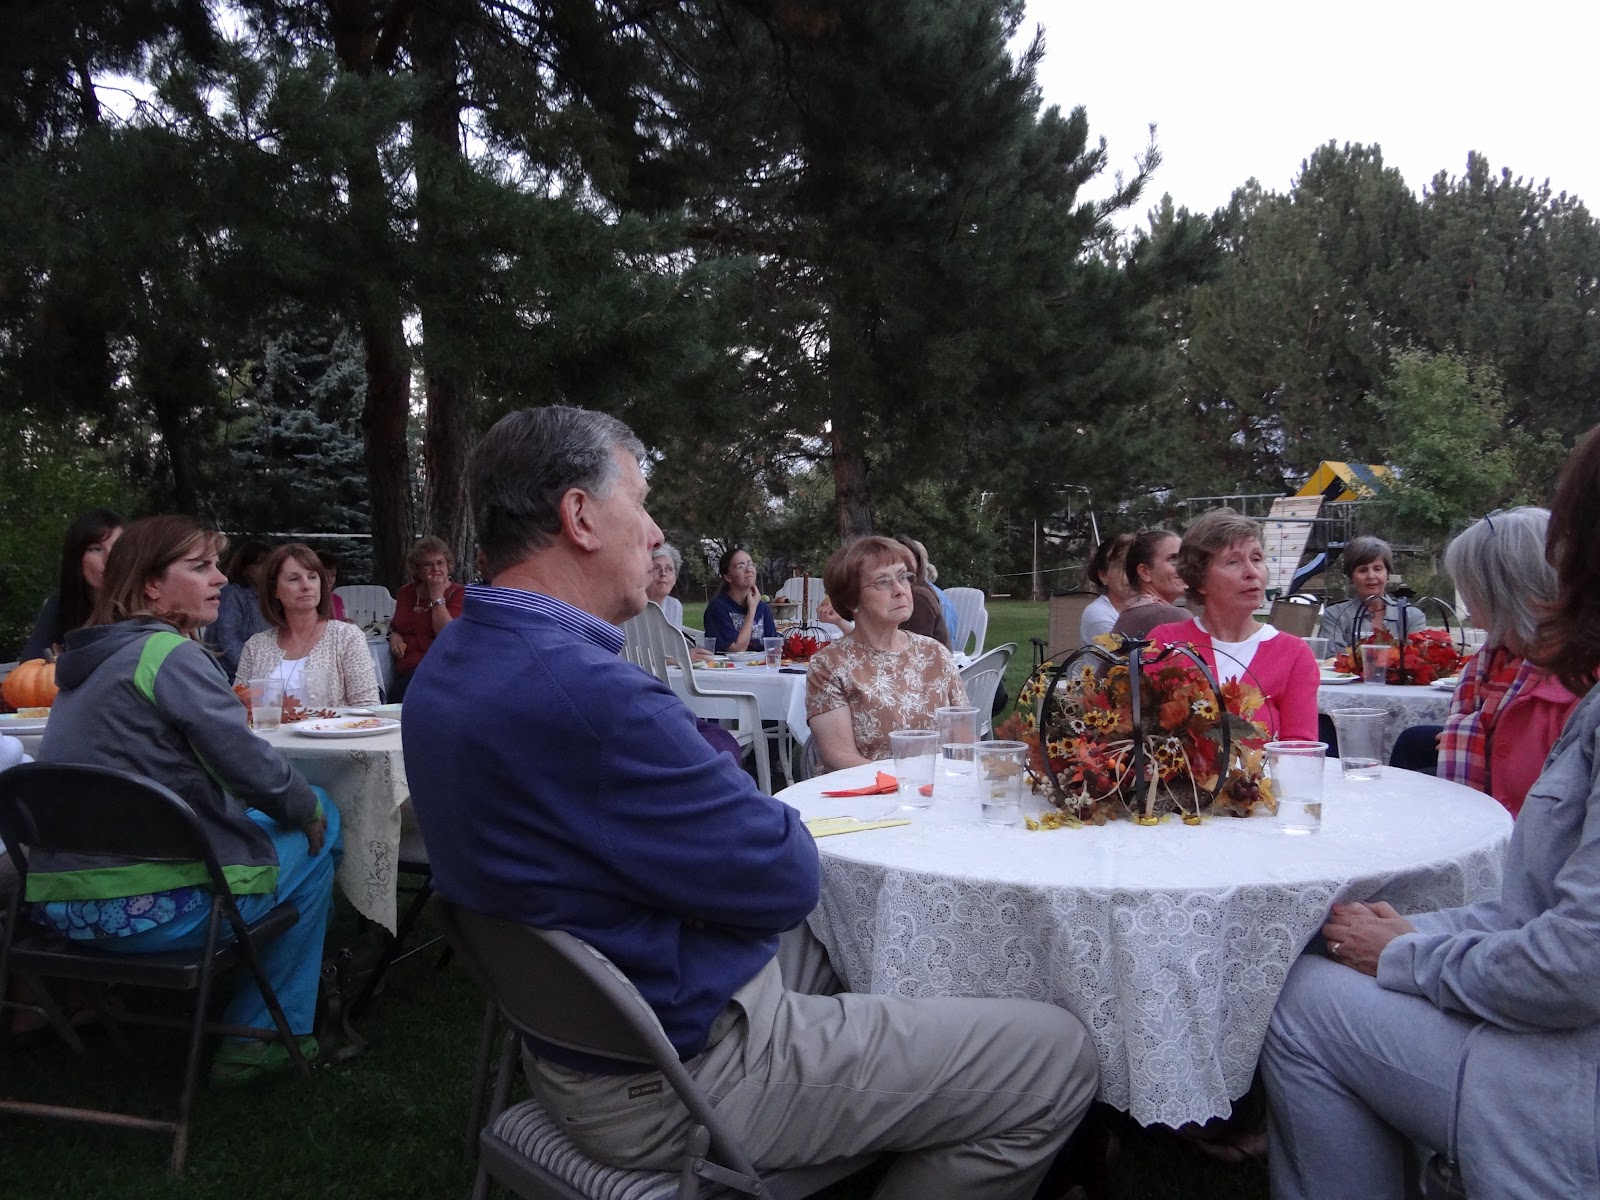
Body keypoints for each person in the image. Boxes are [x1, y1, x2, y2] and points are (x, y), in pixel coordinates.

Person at [404, 406, 1098, 1200]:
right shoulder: (592, 697)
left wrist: (698, 754)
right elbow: (783, 875)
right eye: (641, 503)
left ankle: (916, 1078)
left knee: (852, 924)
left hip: (586, 1035)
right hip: (681, 1078)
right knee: (1056, 1057)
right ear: (581, 517)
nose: (656, 532)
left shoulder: (453, 665)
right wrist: (706, 758)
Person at [1261, 427, 1600, 1200]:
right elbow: (1545, 907)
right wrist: (1415, 934)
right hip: (1539, 986)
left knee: (1299, 996)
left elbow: (1572, 967)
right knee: (1336, 938)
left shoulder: (1568, 695)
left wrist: (1406, 956)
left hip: (1564, 1081)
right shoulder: (1523, 681)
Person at [30, 515, 339, 1084]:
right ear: (151, 586)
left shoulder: (84, 667)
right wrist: (308, 809)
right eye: (200, 567)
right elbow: (252, 768)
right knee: (321, 815)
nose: (220, 578)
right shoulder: (166, 654)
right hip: (153, 914)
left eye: (216, 565)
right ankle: (262, 1035)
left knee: (286, 817)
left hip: (63, 909)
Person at [1429, 508, 1579, 816]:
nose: (1466, 600)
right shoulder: (1494, 662)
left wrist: (1483, 744)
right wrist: (1474, 741)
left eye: (1469, 587)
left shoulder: (1579, 684)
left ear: (1501, 594)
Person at [1147, 509, 1319, 741]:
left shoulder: (1294, 654)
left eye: (1256, 559)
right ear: (1200, 580)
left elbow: (1301, 749)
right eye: (1233, 562)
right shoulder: (1166, 643)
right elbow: (1139, 735)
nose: (1252, 572)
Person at [806, 537, 968, 770]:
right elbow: (839, 757)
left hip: (938, 786)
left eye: (902, 577)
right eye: (883, 582)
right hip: (865, 788)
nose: (900, 590)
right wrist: (907, 782)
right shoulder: (829, 665)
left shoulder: (934, 653)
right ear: (851, 599)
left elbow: (964, 744)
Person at [235, 543, 381, 708]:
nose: (306, 586)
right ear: (275, 590)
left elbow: (368, 707)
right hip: (268, 726)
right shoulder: (256, 646)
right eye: (294, 579)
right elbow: (236, 706)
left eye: (312, 577)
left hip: (334, 726)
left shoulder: (345, 637)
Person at [21, 508, 124, 661]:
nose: (109, 559)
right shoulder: (61, 603)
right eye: (96, 549)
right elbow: (31, 665)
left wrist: (67, 661)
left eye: (118, 547)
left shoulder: (144, 602)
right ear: (76, 558)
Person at [1317, 536, 1427, 657]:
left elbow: (1417, 659)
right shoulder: (1335, 615)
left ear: (1387, 573)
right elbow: (1332, 659)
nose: (1371, 576)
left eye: (1377, 569)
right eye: (1363, 570)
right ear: (1351, 576)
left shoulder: (1411, 616)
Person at [387, 536, 464, 702]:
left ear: (448, 566)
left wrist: (437, 597)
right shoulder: (406, 592)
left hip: (439, 672)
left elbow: (446, 635)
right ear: (417, 569)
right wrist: (394, 635)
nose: (435, 569)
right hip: (406, 670)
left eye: (440, 563)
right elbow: (396, 625)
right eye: (428, 564)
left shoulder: (458, 594)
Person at [210, 537, 273, 679]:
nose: (266, 568)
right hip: (230, 675)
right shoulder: (232, 594)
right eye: (260, 563)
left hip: (264, 674)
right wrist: (251, 668)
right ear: (244, 569)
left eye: (270, 563)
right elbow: (226, 638)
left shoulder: (271, 596)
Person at [1111, 528, 1187, 641]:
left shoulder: (1133, 612)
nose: (1184, 566)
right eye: (1173, 559)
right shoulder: (1170, 616)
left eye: (1185, 559)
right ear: (1145, 572)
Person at [703, 548, 778, 653]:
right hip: (729, 663)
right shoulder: (717, 608)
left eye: (750, 564)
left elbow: (773, 648)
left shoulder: (763, 608)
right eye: (740, 567)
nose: (749, 570)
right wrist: (752, 610)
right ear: (727, 577)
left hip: (761, 663)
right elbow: (737, 649)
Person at [1080, 533, 1136, 644]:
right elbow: (1123, 651)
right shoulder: (1098, 614)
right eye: (1123, 567)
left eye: (1136, 566)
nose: (1132, 574)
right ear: (1103, 576)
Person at [647, 543, 687, 629]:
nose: (663, 573)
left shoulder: (674, 606)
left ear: (675, 578)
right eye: (656, 568)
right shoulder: (634, 607)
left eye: (669, 569)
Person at [316, 548, 347, 621]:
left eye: (333, 576)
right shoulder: (310, 599)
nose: (330, 580)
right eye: (326, 575)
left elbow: (339, 621)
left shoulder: (336, 599)